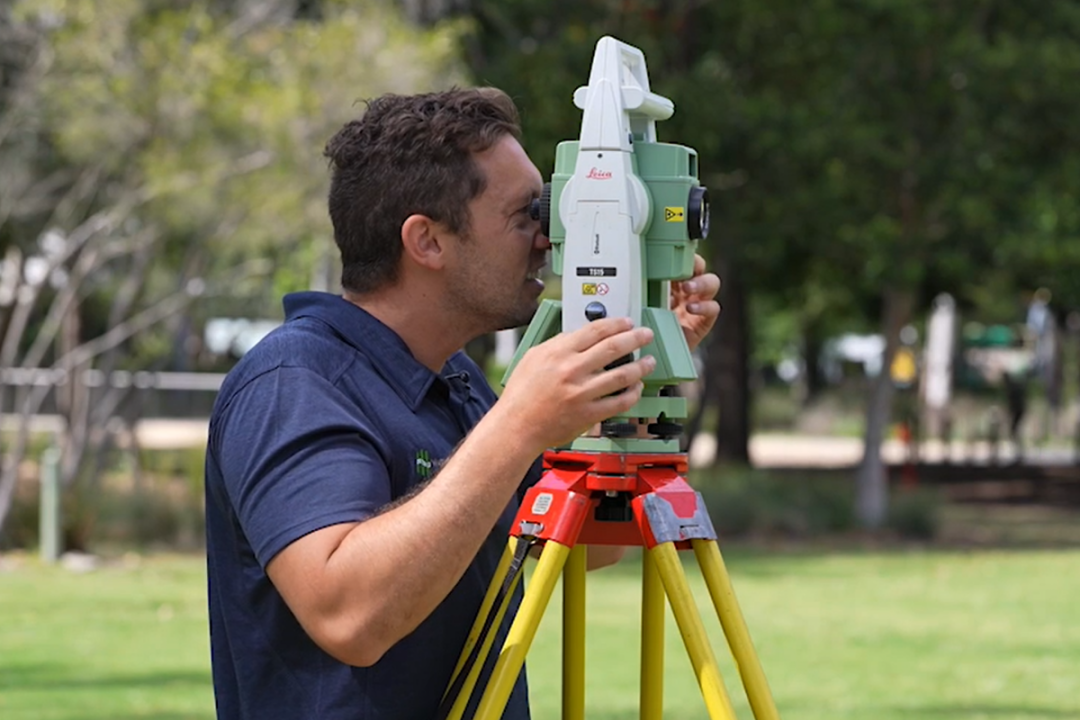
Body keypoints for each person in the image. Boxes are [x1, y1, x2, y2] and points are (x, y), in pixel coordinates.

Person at [204, 87, 721, 720]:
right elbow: (347, 617)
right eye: (527, 213)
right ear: (427, 241)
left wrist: (637, 365)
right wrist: (516, 427)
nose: (549, 237)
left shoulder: (457, 381)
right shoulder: (293, 381)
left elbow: (593, 546)